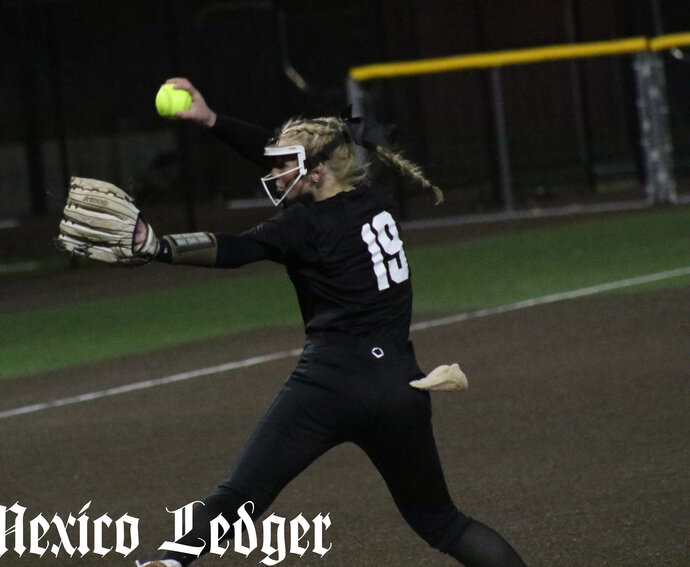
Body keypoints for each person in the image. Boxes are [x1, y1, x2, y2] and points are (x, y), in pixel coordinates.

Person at [132, 78, 528, 566]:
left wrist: (158, 247)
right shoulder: (373, 199)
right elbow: (284, 158)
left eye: (286, 167)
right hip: (402, 386)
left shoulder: (301, 224)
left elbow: (236, 250)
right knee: (442, 522)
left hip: (332, 385)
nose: (276, 174)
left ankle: (170, 563)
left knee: (238, 496)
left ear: (317, 173)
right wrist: (211, 120)